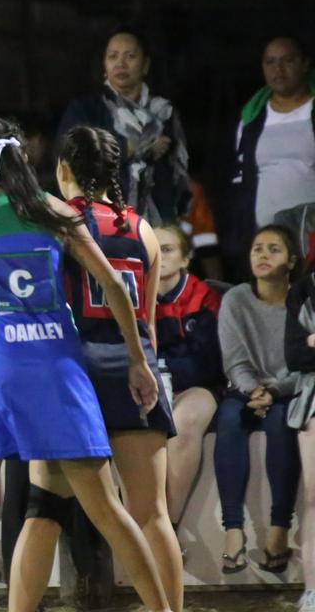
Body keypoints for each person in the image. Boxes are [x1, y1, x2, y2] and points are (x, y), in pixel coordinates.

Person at [0, 117, 171, 612]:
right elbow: (117, 288)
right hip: (56, 370)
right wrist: (138, 359)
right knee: (108, 511)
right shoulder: (52, 208)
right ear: (23, 160)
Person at [47, 126, 182, 612]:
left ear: (64, 170)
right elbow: (146, 320)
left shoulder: (58, 220)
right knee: (153, 514)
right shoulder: (142, 228)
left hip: (76, 373)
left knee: (47, 512)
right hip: (133, 369)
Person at [215, 224, 302, 574]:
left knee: (283, 425)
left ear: (292, 261)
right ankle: (233, 530)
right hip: (245, 390)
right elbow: (234, 359)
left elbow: (307, 364)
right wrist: (253, 390)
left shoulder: (304, 302)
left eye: (273, 249)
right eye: (257, 248)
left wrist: (275, 391)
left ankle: (279, 530)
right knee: (229, 421)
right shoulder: (236, 298)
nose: (262, 255)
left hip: (291, 389)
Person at [56, 29, 190, 224]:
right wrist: (129, 148)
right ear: (104, 64)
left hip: (159, 222)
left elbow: (178, 173)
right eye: (113, 56)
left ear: (145, 65)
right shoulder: (86, 110)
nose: (121, 63)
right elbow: (70, 156)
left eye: (130, 56)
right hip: (100, 222)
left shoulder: (164, 113)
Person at [153, 223, 222, 531]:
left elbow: (208, 364)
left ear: (185, 259)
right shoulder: (129, 294)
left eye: (167, 249)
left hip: (196, 387)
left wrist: (164, 365)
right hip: (149, 388)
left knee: (185, 422)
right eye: (152, 248)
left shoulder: (203, 296)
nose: (158, 255)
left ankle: (167, 524)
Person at [227, 36, 315, 277]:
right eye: (270, 62)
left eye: (287, 60)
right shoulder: (252, 117)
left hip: (311, 237)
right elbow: (241, 177)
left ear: (305, 64)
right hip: (265, 239)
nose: (279, 69)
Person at [285, 249, 315, 611]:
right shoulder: (305, 288)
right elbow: (295, 355)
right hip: (312, 393)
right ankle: (312, 588)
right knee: (314, 495)